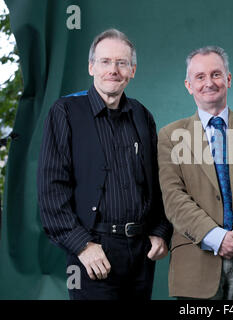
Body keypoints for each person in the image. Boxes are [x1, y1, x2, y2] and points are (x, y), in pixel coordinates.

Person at [37, 29, 172, 300]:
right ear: (91, 67)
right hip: (92, 250)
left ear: (132, 70)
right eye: (105, 61)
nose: (114, 70)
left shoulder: (142, 115)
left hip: (140, 251)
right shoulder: (64, 112)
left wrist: (160, 231)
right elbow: (51, 190)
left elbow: (159, 182)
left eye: (122, 63)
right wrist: (82, 246)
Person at [157, 46, 233, 299]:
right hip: (195, 264)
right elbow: (173, 197)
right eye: (200, 77)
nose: (209, 82)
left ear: (228, 79)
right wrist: (215, 237)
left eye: (216, 74)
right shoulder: (169, 136)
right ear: (188, 85)